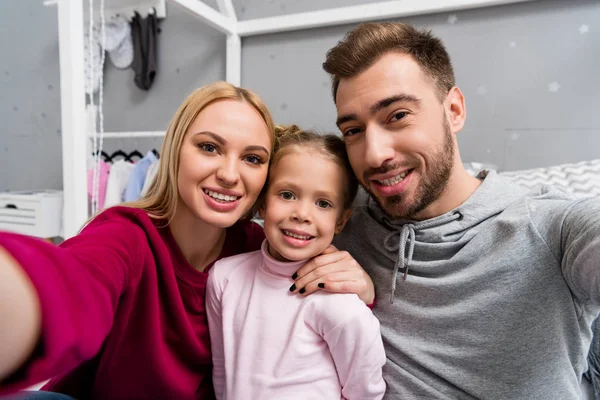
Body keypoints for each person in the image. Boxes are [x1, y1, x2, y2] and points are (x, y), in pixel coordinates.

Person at [290, 22, 600, 398]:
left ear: (453, 110)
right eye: (353, 130)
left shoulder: (551, 226)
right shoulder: (333, 217)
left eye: (398, 115)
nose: (374, 155)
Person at [206, 126, 386, 400]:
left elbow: (365, 393)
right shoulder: (224, 277)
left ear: (340, 221)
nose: (302, 214)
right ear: (263, 203)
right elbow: (221, 372)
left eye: (323, 203)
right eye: (287, 195)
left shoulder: (341, 306)